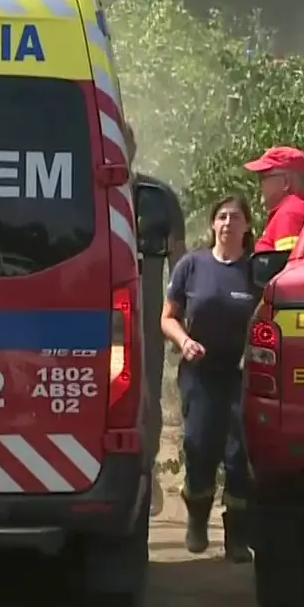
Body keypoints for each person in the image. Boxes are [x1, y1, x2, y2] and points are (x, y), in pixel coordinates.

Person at [161, 195, 258, 562]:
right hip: (199, 373)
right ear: (212, 225)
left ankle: (236, 536)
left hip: (241, 375)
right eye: (221, 217)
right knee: (199, 447)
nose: (228, 223)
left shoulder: (254, 271)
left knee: (238, 455)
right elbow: (167, 317)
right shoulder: (192, 266)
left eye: (235, 217)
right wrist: (184, 342)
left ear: (247, 226)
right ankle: (197, 517)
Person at [133, 172, 187, 518]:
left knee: (148, 395)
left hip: (148, 319)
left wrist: (181, 320)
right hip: (95, 316)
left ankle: (146, 469)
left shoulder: (157, 196)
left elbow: (179, 263)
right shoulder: (81, 181)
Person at [244, 145, 304, 254]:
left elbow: (287, 264)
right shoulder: (293, 210)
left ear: (286, 182)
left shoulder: (290, 213)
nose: (260, 185)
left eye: (263, 178)